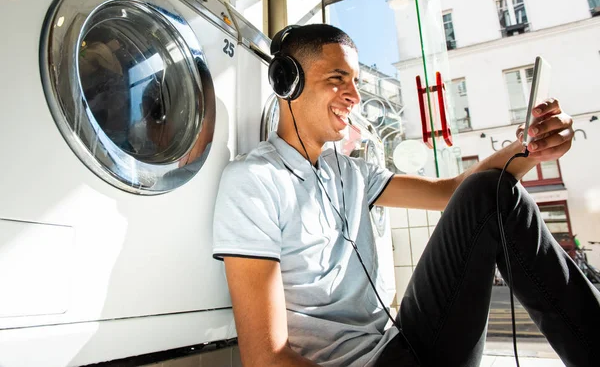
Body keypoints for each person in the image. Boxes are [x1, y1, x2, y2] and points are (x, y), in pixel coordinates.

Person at [212, 24, 600, 367]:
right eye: (337, 78)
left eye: (356, 83)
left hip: (403, 343)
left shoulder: (354, 173)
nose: (354, 96)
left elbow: (453, 192)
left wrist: (530, 147)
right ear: (287, 83)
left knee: (488, 191)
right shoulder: (253, 181)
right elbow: (266, 357)